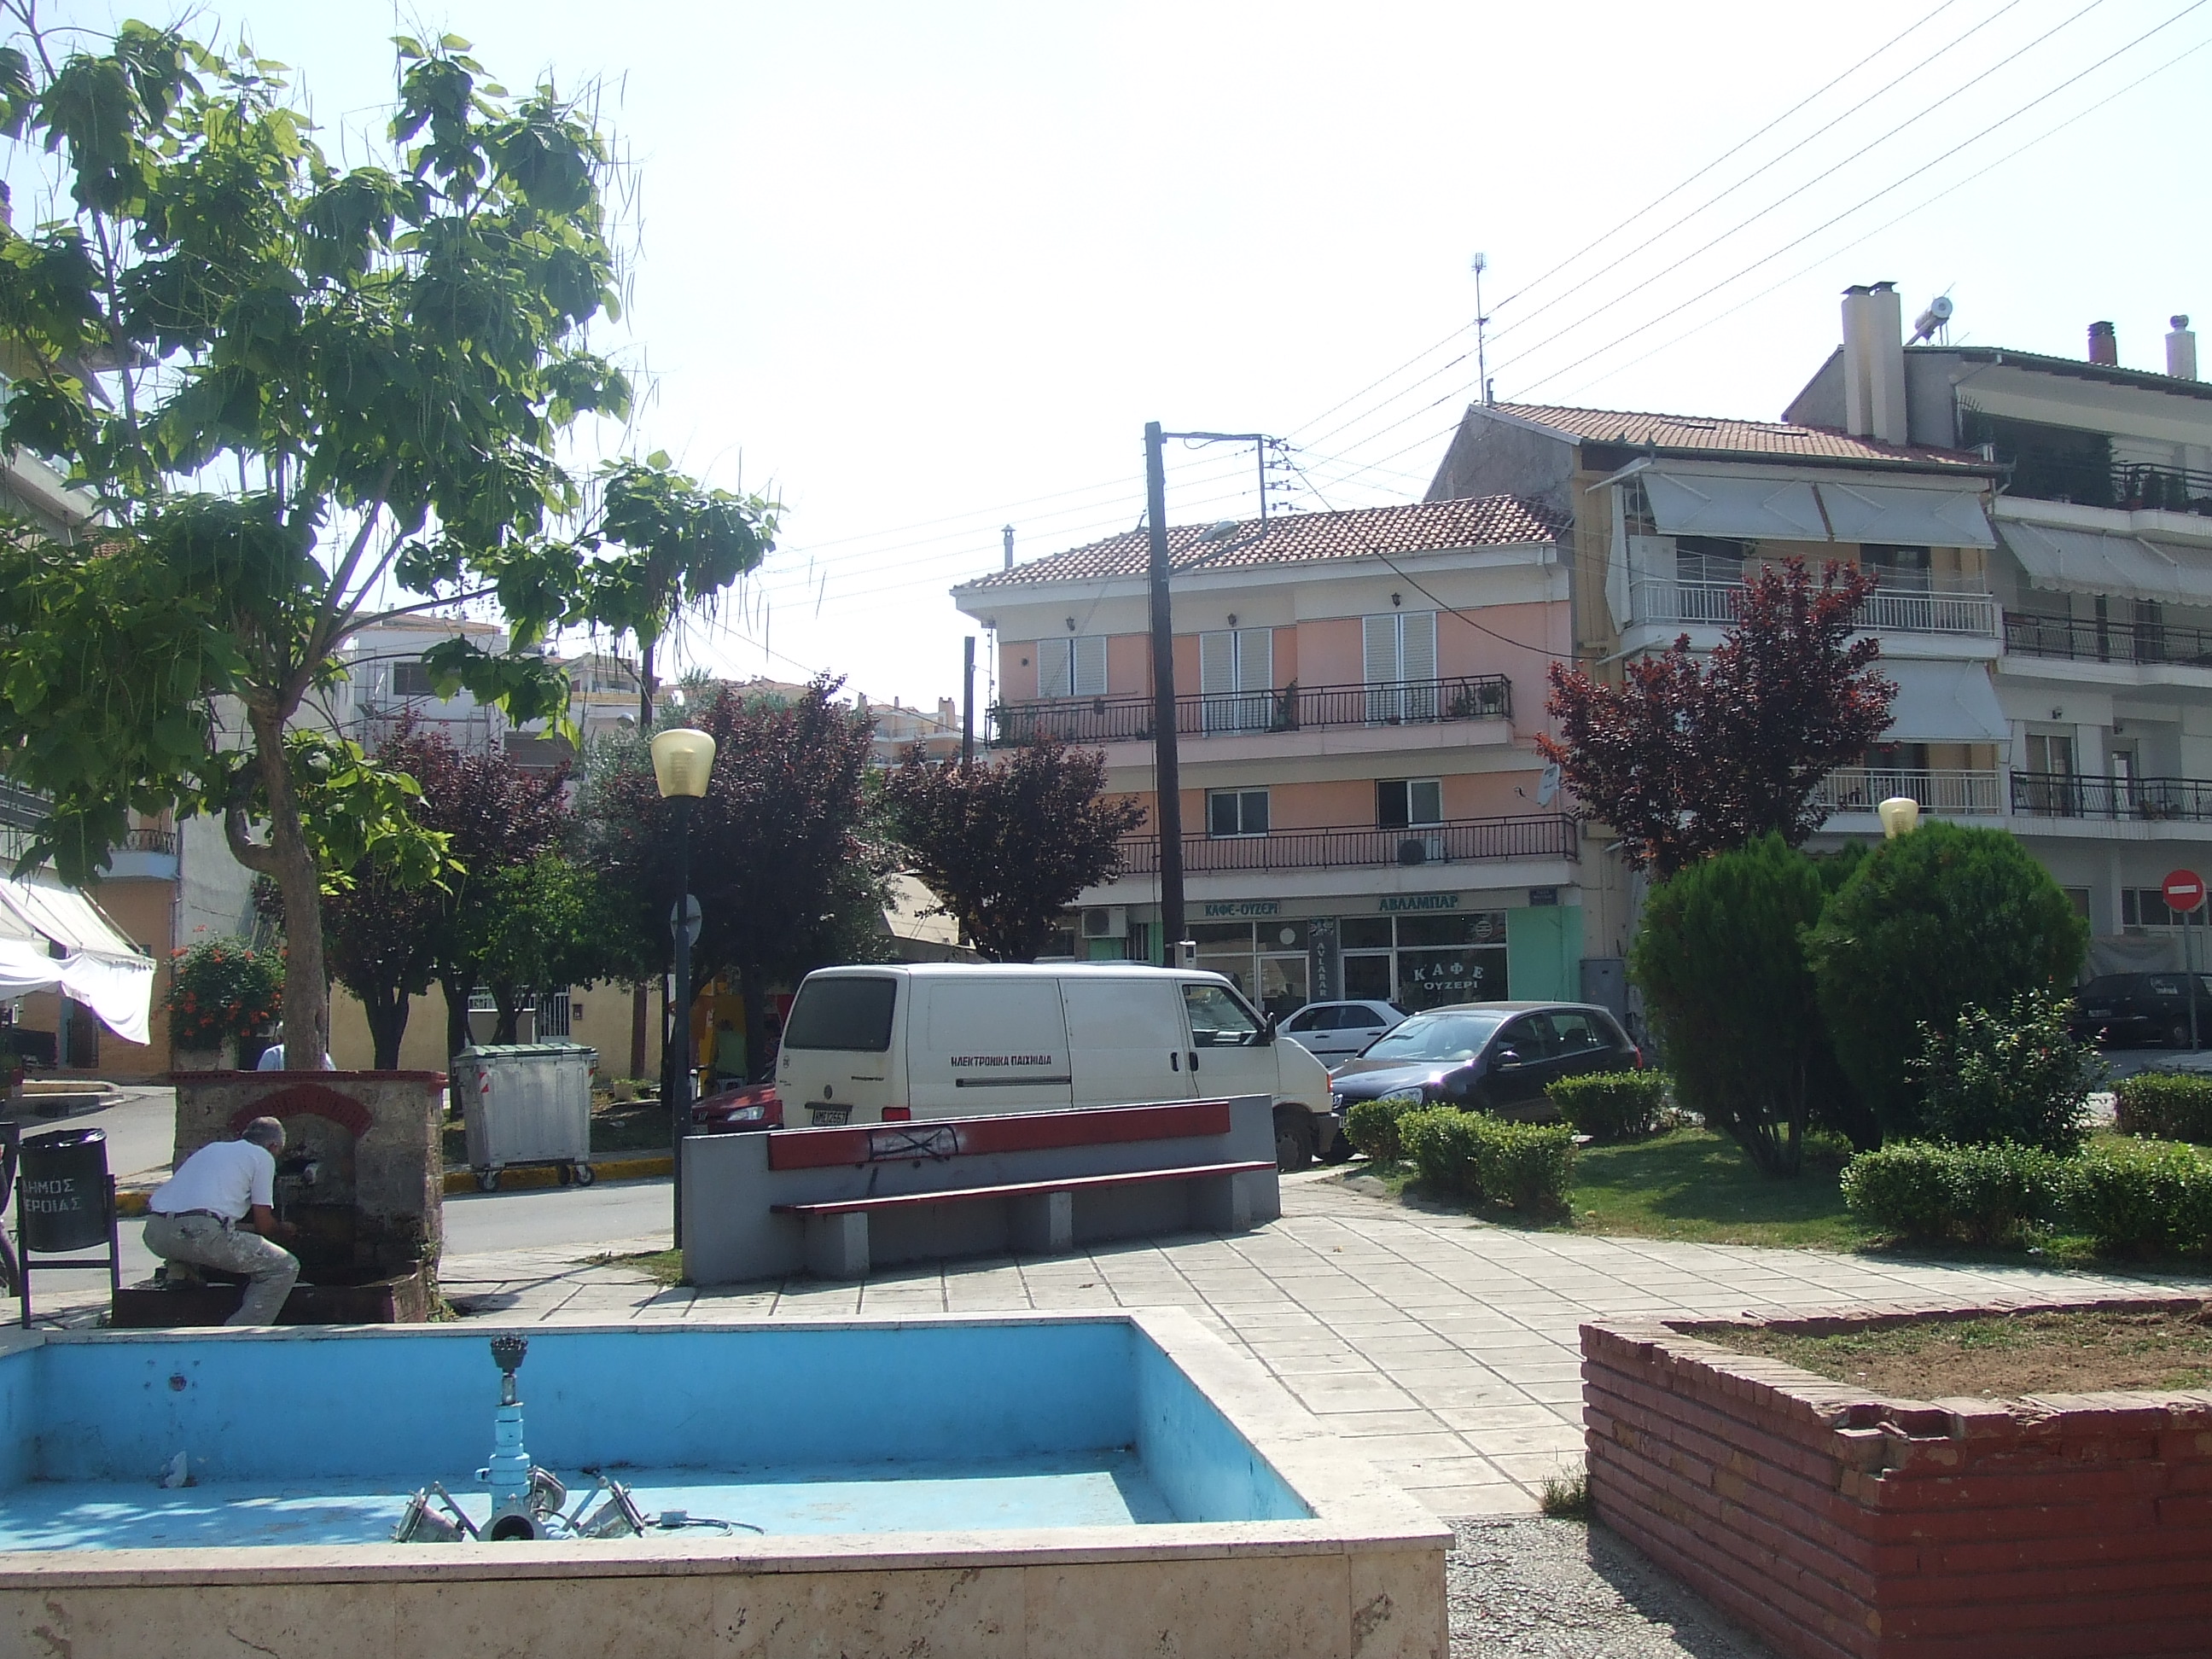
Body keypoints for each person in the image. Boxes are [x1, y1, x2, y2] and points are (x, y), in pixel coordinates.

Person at [143, 1117, 300, 1326]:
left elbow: (207, 1218)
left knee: (195, 1240)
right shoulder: (263, 1157)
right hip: (197, 1234)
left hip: (156, 1232)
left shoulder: (213, 1149)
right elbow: (265, 1226)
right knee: (284, 1267)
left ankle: (179, 1274)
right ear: (273, 1146)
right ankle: (239, 1332)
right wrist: (283, 1230)